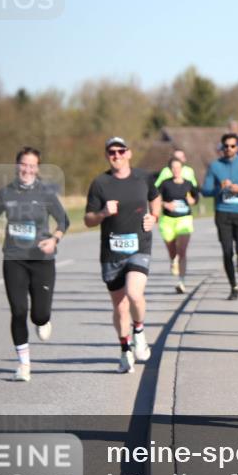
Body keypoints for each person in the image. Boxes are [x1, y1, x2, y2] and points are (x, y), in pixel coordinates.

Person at [0, 147, 69, 382]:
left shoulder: (46, 193)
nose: (27, 169)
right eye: (24, 164)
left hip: (42, 260)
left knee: (39, 315)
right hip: (14, 258)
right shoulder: (5, 193)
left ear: (37, 168)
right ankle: (24, 364)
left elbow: (63, 220)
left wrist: (54, 239)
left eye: (32, 165)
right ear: (17, 166)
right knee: (18, 310)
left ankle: (43, 320)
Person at [84, 137, 161, 373]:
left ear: (129, 153)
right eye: (111, 152)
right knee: (119, 308)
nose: (116, 155)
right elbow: (88, 220)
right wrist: (103, 213)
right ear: (107, 155)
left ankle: (139, 331)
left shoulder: (144, 178)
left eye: (120, 151)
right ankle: (124, 350)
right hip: (112, 253)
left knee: (134, 294)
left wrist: (154, 216)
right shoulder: (100, 183)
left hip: (140, 247)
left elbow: (155, 198)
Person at [202, 132, 238, 300]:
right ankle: (233, 287)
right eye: (226, 146)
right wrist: (219, 189)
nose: (229, 149)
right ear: (222, 148)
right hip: (223, 213)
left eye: (233, 146)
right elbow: (205, 190)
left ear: (237, 147)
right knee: (227, 252)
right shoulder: (215, 166)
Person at [157, 157, 199, 293]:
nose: (176, 170)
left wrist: (191, 200)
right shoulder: (164, 184)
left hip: (184, 219)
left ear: (182, 169)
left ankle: (181, 282)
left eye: (178, 167)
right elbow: (155, 199)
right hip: (167, 221)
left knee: (182, 251)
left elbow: (196, 198)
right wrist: (165, 204)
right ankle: (172, 260)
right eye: (173, 168)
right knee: (172, 251)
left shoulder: (188, 184)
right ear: (170, 170)